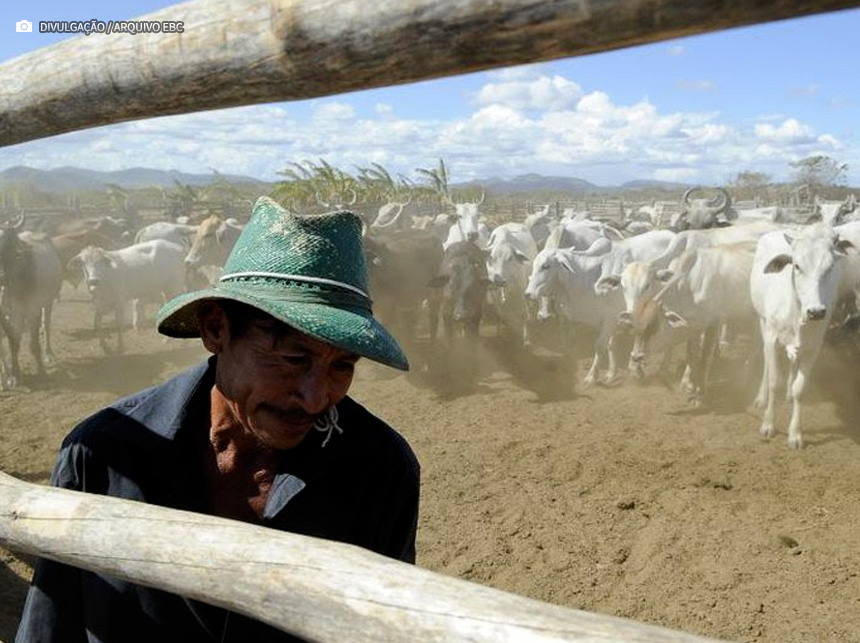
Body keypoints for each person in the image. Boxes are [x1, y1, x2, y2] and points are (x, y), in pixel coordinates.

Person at [15, 197, 420, 643]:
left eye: (343, 366)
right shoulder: (103, 456)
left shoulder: (379, 470)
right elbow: (50, 630)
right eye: (290, 358)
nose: (314, 397)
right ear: (215, 329)